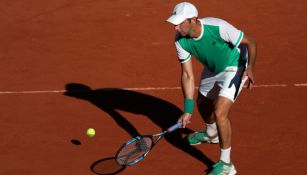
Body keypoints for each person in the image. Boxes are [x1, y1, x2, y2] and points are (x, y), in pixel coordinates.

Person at [166, 2, 257, 175]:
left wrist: (250, 67)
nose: (176, 28)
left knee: (219, 111)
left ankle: (226, 164)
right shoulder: (180, 41)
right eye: (174, 24)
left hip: (234, 66)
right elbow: (187, 75)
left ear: (193, 20)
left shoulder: (218, 27)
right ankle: (211, 134)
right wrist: (188, 109)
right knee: (203, 103)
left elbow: (250, 42)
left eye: (179, 23)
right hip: (212, 68)